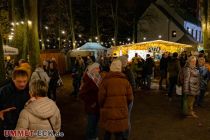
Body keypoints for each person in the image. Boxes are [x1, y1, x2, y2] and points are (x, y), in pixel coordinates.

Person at [98, 60, 133, 140]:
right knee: (119, 133)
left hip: (108, 112)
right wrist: (123, 104)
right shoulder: (125, 81)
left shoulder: (105, 81)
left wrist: (103, 106)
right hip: (120, 112)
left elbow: (101, 98)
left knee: (107, 132)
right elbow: (130, 98)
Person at [0, 66, 31, 139]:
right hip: (7, 127)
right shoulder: (3, 91)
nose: (22, 84)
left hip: (24, 127)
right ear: (13, 79)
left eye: (24, 81)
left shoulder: (29, 90)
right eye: (19, 81)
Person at [79, 63, 102, 140]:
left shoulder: (96, 77)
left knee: (95, 123)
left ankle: (94, 136)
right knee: (91, 123)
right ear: (93, 69)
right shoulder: (89, 80)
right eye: (97, 68)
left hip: (97, 106)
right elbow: (82, 94)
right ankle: (89, 137)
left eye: (99, 68)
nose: (99, 70)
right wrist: (91, 103)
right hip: (92, 107)